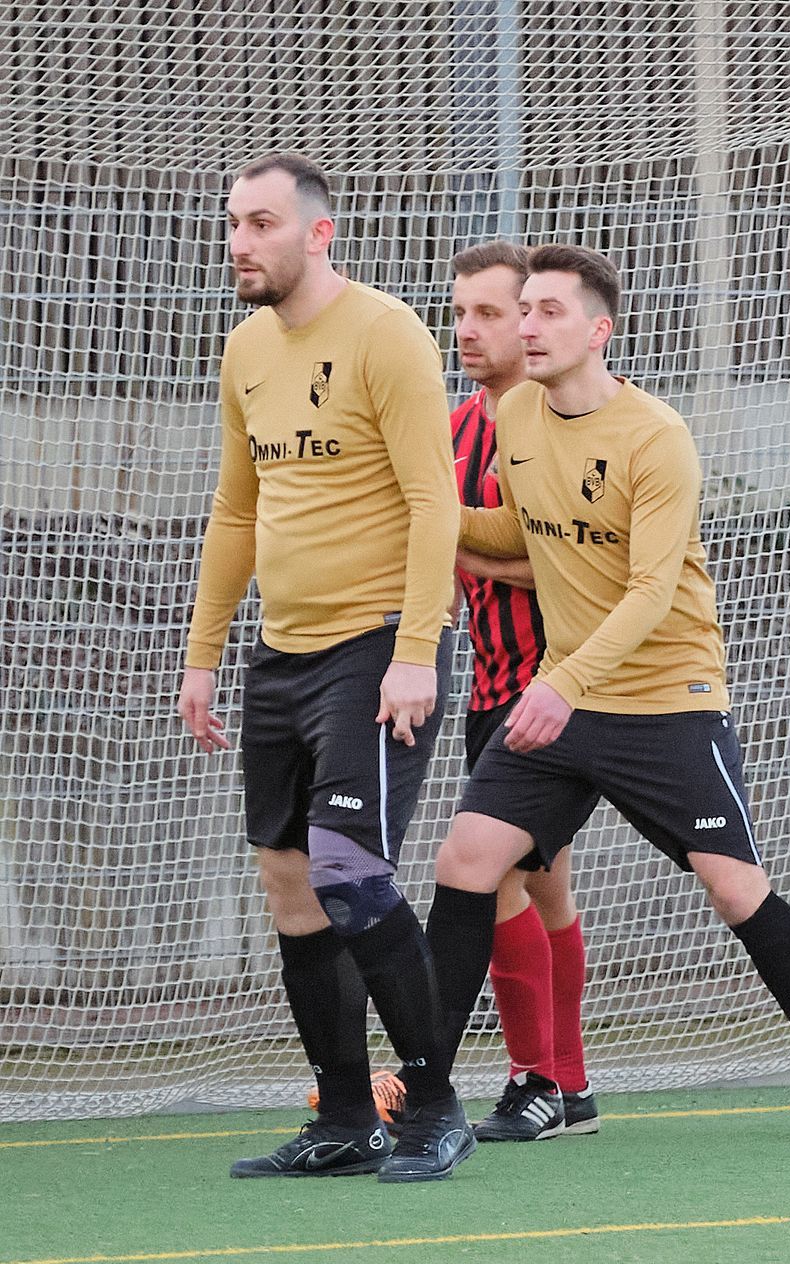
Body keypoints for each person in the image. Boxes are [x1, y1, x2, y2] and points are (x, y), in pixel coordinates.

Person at [387, 244, 790, 1179]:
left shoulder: (656, 436)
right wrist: (423, 513)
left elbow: (651, 590)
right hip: (564, 698)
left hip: (665, 702)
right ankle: (425, 1092)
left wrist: (562, 684)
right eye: (523, 309)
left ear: (599, 330)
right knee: (466, 861)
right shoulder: (515, 415)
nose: (527, 326)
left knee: (734, 889)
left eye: (547, 311)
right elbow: (519, 535)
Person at [178, 152, 467, 1179]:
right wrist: (204, 655)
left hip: (377, 647)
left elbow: (435, 501)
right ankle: (344, 1117)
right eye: (232, 223)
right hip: (281, 657)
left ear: (317, 231)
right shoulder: (245, 347)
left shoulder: (387, 333)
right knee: (290, 884)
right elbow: (237, 510)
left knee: (350, 869)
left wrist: (416, 652)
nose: (239, 242)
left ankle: (432, 1105)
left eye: (260, 223)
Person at [447, 241, 597, 1141]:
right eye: (460, 313)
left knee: (493, 873)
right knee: (543, 887)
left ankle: (533, 1079)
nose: (469, 330)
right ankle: (567, 1089)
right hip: (489, 684)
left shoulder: (561, 428)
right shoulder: (455, 428)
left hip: (558, 688)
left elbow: (567, 563)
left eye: (491, 313)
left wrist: (453, 548)